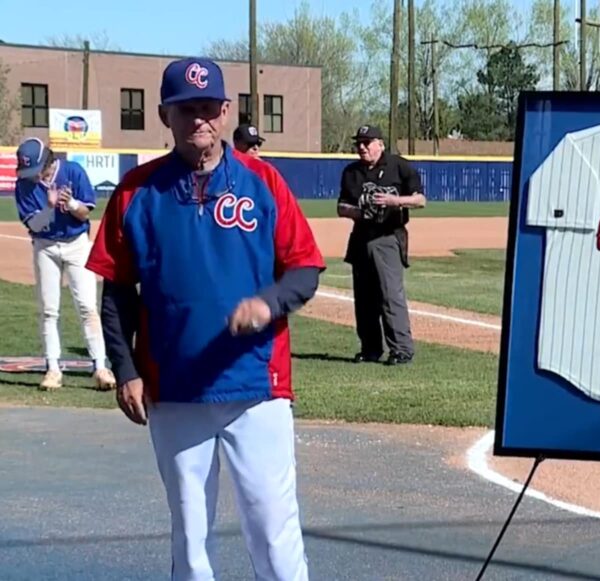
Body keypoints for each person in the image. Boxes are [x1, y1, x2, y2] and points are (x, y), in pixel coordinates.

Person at [85, 57, 325, 580]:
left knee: (273, 530)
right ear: (164, 115)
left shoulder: (263, 182)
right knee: (190, 536)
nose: (200, 119)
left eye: (208, 108)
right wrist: (124, 368)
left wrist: (269, 302)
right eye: (185, 109)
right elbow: (118, 290)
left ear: (225, 110)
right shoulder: (135, 192)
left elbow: (305, 268)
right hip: (174, 389)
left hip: (257, 385)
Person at [13, 137, 116, 392]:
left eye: (34, 170)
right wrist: (49, 207)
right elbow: (34, 225)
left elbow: (86, 212)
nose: (31, 176)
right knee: (49, 310)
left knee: (87, 307)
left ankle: (100, 367)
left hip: (76, 244)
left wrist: (69, 204)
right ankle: (53, 368)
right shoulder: (23, 185)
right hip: (45, 246)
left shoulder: (72, 171)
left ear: (47, 160)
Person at [336, 125, 426, 365]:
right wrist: (358, 211)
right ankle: (370, 349)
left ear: (381, 144)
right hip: (361, 237)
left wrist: (394, 201)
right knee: (364, 298)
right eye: (359, 143)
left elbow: (420, 200)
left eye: (367, 142)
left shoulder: (398, 165)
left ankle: (402, 350)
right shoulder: (352, 172)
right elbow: (341, 207)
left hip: (388, 236)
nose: (362, 147)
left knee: (389, 295)